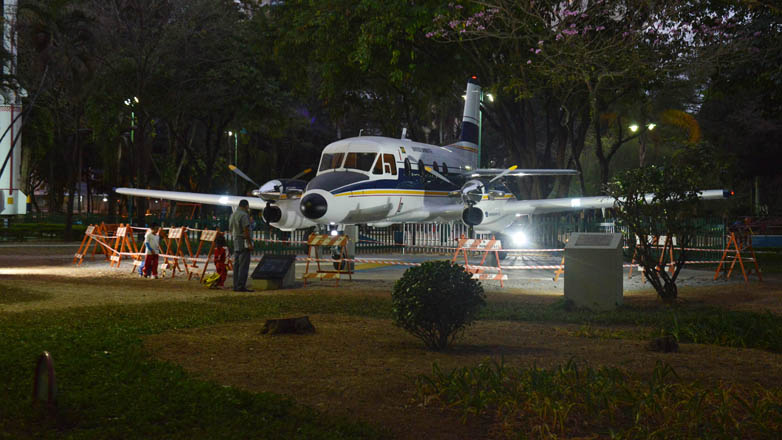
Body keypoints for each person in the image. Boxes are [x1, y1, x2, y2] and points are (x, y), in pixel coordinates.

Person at [229, 199, 254, 292]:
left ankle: (236, 285)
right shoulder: (244, 215)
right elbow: (246, 230)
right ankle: (241, 286)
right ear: (246, 206)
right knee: (244, 265)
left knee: (237, 265)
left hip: (236, 241)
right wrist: (249, 243)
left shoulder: (233, 214)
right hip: (243, 242)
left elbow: (230, 229)